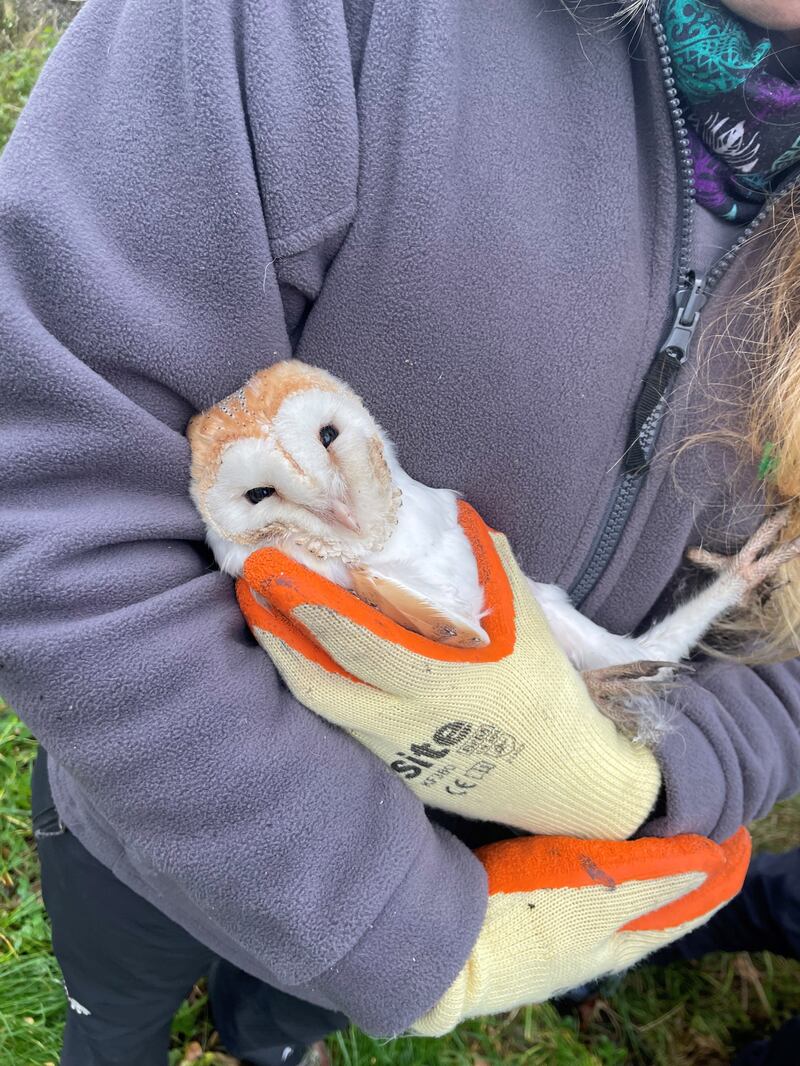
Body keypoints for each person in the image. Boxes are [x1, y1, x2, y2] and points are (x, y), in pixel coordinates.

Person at [1, 0, 799, 1062]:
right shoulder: (319, 27)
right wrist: (398, 921)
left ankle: (268, 1037)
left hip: (467, 848)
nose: (327, 503)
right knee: (117, 1000)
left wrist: (650, 776)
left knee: (285, 1017)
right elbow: (49, 478)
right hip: (157, 835)